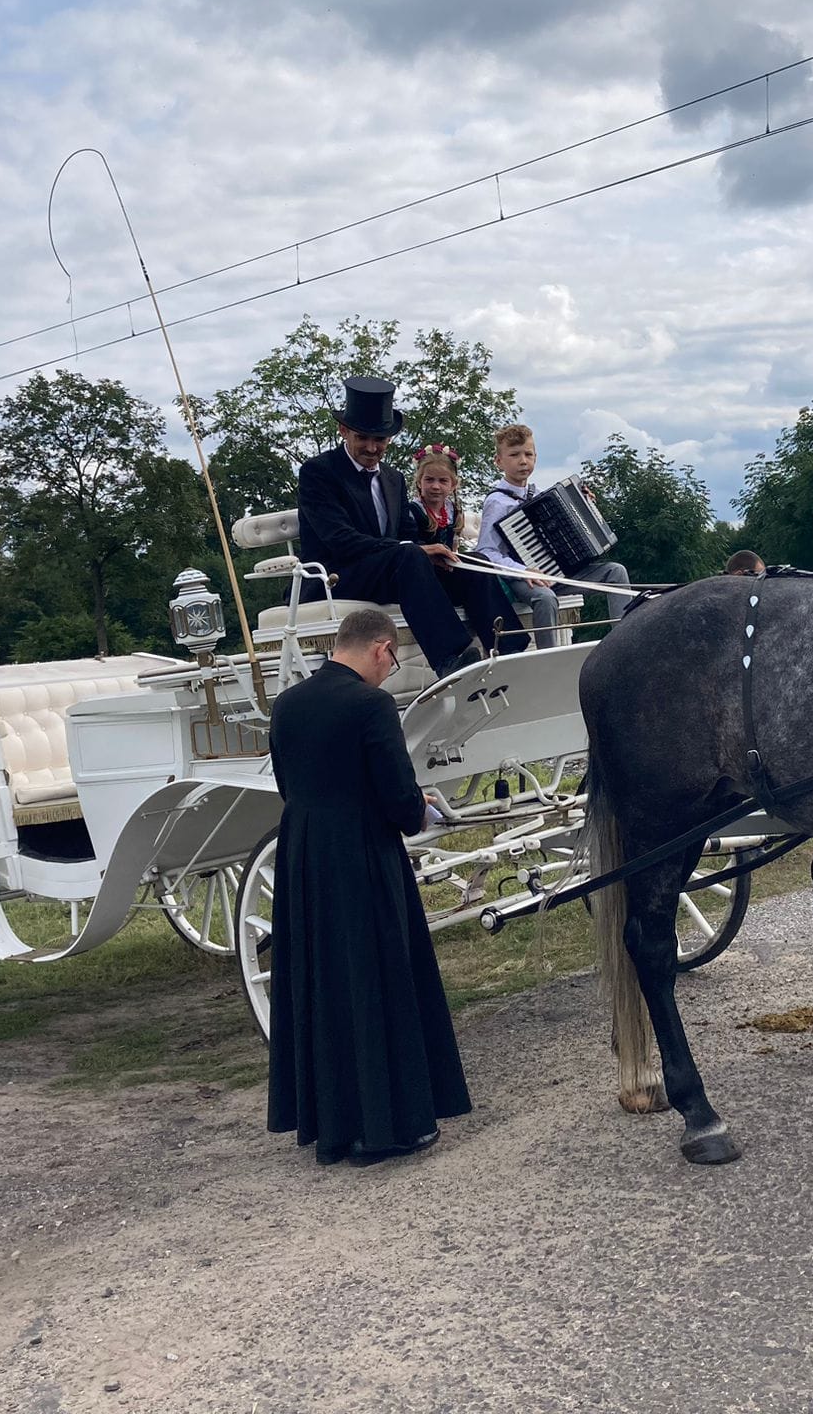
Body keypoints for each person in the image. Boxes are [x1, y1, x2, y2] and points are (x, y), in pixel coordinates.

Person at [265, 606, 471, 1166]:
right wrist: (418, 807)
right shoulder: (371, 704)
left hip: (304, 853)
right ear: (382, 649)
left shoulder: (287, 703)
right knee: (375, 976)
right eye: (392, 661)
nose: (388, 671)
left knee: (325, 982)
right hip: (359, 853)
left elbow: (287, 783)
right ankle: (384, 1128)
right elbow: (399, 800)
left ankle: (334, 1128)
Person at [297, 376, 523, 676]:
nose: (372, 447)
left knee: (471, 563)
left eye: (380, 439)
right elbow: (340, 540)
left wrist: (436, 554)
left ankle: (511, 651)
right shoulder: (318, 473)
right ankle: (453, 660)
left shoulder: (393, 478)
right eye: (363, 437)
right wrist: (413, 551)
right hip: (338, 575)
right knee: (411, 554)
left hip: (395, 572)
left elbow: (407, 534)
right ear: (344, 431)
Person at [474, 422, 631, 649]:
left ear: (536, 457)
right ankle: (548, 656)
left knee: (616, 571)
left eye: (528, 454)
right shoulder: (497, 502)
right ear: (499, 461)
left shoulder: (540, 495)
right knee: (546, 598)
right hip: (520, 578)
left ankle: (624, 643)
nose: (523, 461)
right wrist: (522, 570)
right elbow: (486, 551)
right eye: (514, 455)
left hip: (557, 573)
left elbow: (572, 529)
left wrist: (587, 507)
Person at [408, 444, 472, 551]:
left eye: (443, 481)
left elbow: (454, 546)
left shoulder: (453, 511)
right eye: (429, 480)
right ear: (419, 482)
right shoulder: (412, 511)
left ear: (453, 485)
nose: (435, 486)